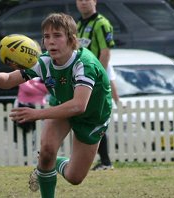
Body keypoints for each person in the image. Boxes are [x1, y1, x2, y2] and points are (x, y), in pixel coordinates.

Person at [0, 13, 112, 198]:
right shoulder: (44, 61)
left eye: (57, 35)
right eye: (47, 37)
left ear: (72, 39)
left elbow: (79, 106)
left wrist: (37, 114)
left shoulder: (84, 64)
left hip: (92, 115)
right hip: (62, 105)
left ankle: (54, 164)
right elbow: (7, 80)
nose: (51, 41)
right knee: (46, 152)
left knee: (74, 177)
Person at [76, 0, 119, 171]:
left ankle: (106, 161)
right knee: (85, 118)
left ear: (95, 1)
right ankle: (101, 161)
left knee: (95, 119)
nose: (83, 2)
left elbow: (105, 52)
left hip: (93, 79)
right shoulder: (78, 23)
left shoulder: (101, 23)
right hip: (81, 77)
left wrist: (96, 77)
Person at [14, 78, 48, 156]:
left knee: (39, 133)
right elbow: (27, 89)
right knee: (24, 133)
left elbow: (47, 89)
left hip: (40, 109)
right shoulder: (24, 77)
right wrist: (40, 89)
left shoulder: (41, 78)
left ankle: (36, 153)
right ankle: (25, 155)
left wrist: (34, 84)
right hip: (23, 107)